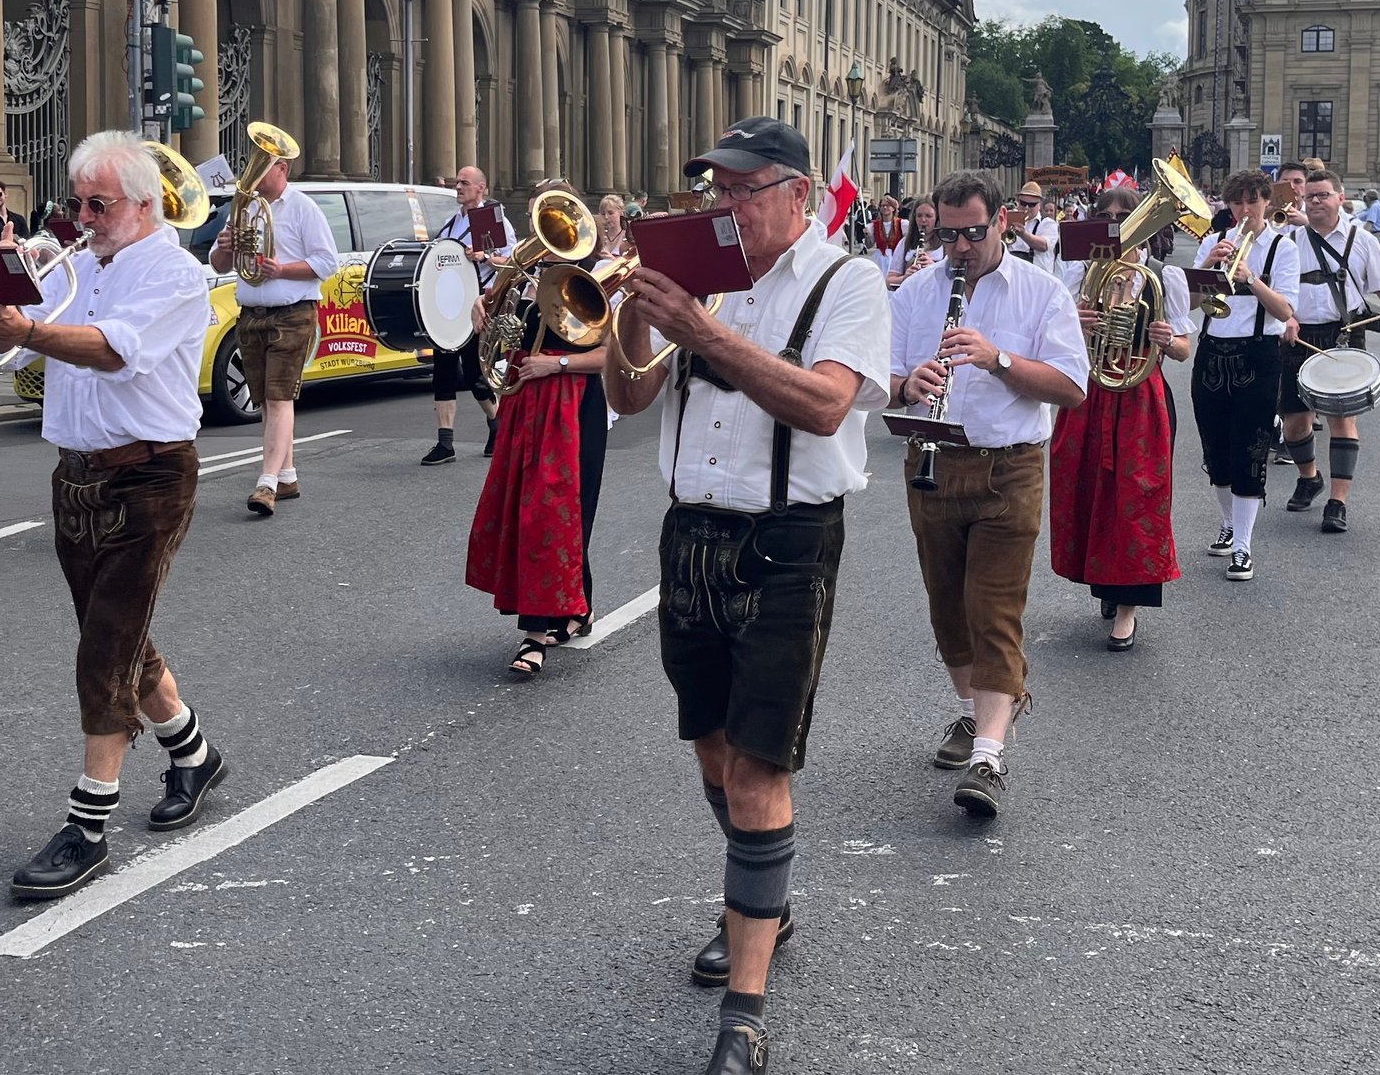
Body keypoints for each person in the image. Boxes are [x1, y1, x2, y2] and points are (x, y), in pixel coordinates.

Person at [605, 117, 889, 1075]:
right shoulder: (705, 278)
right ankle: (758, 892)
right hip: (691, 536)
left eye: (743, 189)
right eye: (715, 190)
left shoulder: (844, 280)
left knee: (762, 766)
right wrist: (636, 315)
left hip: (785, 540)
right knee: (713, 747)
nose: (722, 207)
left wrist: (704, 330)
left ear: (799, 194)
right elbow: (630, 399)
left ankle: (745, 1013)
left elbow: (824, 404)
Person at [0, 131, 228, 898]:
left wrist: (31, 327)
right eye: (75, 202)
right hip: (74, 476)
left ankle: (88, 822)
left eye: (96, 204)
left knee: (105, 648)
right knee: (120, 639)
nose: (81, 217)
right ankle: (195, 753)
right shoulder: (79, 264)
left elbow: (113, 350)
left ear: (144, 204)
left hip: (148, 476)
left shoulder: (175, 273)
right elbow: (10, 358)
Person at [891, 172, 1087, 821]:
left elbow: (1070, 385)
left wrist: (998, 358)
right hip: (932, 459)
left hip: (1010, 467)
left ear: (1001, 220)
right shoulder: (919, 291)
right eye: (946, 233)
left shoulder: (1043, 292)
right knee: (947, 608)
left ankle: (989, 757)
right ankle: (970, 716)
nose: (959, 247)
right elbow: (874, 376)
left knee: (993, 609)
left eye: (972, 232)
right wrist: (905, 383)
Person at [465, 179, 605, 680]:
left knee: (562, 511)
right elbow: (501, 331)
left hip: (574, 400)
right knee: (530, 509)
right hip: (527, 401)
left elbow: (609, 354)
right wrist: (485, 309)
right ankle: (575, 606)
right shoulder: (522, 274)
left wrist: (557, 366)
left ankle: (537, 633)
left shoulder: (594, 275)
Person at [1051, 187, 1193, 650]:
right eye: (1106, 214)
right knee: (1093, 493)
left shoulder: (1161, 275)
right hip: (1092, 393)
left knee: (1138, 498)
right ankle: (1106, 585)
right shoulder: (1081, 273)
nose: (1114, 221)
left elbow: (1184, 349)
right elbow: (1053, 341)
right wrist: (1076, 322)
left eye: (1124, 214)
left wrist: (1166, 338)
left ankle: (1128, 608)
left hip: (1140, 396)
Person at [1279, 169, 1380, 533]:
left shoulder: (1362, 239)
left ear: (1340, 198)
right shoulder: (1288, 237)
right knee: (1294, 423)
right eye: (1310, 197)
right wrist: (1285, 317)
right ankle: (1309, 477)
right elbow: (1273, 288)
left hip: (1344, 335)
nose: (1315, 202)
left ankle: (1337, 503)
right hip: (1297, 335)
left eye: (1323, 195)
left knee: (1342, 418)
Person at [210, 152, 338, 516]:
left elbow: (327, 262)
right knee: (265, 399)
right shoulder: (246, 209)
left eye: (262, 165)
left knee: (280, 398)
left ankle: (266, 483)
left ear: (282, 170)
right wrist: (224, 249)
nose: (252, 172)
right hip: (251, 314)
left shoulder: (303, 207)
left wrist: (280, 269)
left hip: (292, 314)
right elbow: (220, 265)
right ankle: (287, 475)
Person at [1190, 170, 1300, 581]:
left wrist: (1250, 278)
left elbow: (1286, 310)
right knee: (1215, 451)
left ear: (1266, 203)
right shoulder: (1213, 242)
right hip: (1212, 353)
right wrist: (1207, 264)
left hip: (1258, 355)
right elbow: (1191, 302)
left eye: (1253, 201)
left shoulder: (1282, 248)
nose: (1245, 210)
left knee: (1249, 450)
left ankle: (1243, 547)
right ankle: (1230, 522)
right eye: (1238, 202)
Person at [420, 166, 516, 465]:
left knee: (475, 374)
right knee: (444, 370)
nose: (458, 187)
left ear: (481, 188)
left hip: (480, 305)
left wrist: (485, 256)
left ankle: (496, 423)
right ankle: (445, 443)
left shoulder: (494, 220)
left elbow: (512, 262)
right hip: (450, 306)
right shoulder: (451, 224)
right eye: (456, 183)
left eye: (464, 183)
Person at [1007, 180, 1061, 274]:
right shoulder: (1010, 218)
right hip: (1014, 274)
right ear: (1018, 202)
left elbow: (1043, 246)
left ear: (1039, 205)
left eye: (1031, 205)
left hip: (1038, 278)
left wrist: (1023, 234)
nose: (1027, 207)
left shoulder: (1048, 223)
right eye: (1023, 203)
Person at [884, 201, 941, 290]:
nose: (923, 220)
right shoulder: (905, 243)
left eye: (928, 216)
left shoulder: (946, 243)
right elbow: (889, 281)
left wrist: (933, 267)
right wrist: (904, 278)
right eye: (919, 216)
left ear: (937, 218)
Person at [868, 194, 905, 273]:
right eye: (882, 206)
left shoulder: (902, 224)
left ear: (893, 208)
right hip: (880, 260)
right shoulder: (874, 225)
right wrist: (867, 235)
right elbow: (869, 245)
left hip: (896, 258)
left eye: (887, 205)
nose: (885, 207)